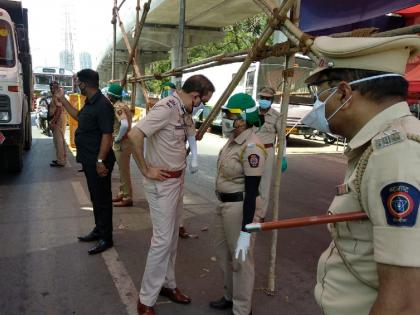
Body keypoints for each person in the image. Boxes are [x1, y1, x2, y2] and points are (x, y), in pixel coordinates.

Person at [300, 35, 420, 315]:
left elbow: (405, 303)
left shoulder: (395, 155)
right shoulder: (378, 145)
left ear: (343, 94)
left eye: (321, 96)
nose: (319, 107)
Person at [128, 74, 215, 315]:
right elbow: (135, 136)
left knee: (172, 239)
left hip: (177, 181)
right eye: (203, 101)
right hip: (162, 184)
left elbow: (188, 136)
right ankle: (146, 299)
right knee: (162, 241)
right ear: (195, 96)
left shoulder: (184, 111)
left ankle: (168, 284)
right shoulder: (166, 108)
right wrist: (146, 169)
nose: (202, 106)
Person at [210, 93, 266, 315]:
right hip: (223, 206)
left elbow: (252, 191)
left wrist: (246, 230)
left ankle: (243, 309)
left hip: (240, 207)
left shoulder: (252, 147)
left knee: (242, 259)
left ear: (243, 119)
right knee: (224, 254)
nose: (225, 118)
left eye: (230, 115)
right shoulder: (233, 140)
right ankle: (230, 296)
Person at [52, 69, 115, 255]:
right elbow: (78, 116)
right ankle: (99, 230)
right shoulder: (90, 103)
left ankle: (106, 238)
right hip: (89, 160)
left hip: (98, 161)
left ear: (85, 84)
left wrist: (100, 160)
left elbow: (107, 135)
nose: (78, 85)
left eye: (79, 82)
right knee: (96, 197)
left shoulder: (103, 105)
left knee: (102, 200)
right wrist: (62, 99)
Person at [160, 81, 199, 238]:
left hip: (178, 164)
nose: (169, 94)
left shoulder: (185, 114)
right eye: (167, 91)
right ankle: (165, 229)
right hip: (162, 163)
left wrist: (195, 157)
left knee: (178, 197)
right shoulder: (163, 108)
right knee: (163, 202)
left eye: (170, 90)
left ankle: (178, 225)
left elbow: (191, 135)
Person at [254, 87, 287, 222]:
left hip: (267, 151)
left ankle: (260, 214)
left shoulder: (276, 116)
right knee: (249, 182)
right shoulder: (252, 113)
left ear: (272, 100)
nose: (264, 100)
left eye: (267, 98)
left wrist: (283, 156)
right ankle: (249, 209)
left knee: (264, 185)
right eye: (262, 98)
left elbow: (282, 138)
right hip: (251, 150)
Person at [107, 83, 134, 207]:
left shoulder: (118, 107)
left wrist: (117, 139)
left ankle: (127, 197)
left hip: (122, 143)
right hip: (125, 142)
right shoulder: (123, 105)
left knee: (123, 171)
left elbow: (124, 125)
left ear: (112, 96)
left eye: (108, 94)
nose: (107, 96)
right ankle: (123, 193)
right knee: (122, 170)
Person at [49, 81, 68, 167]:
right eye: (51, 86)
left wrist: (53, 121)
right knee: (61, 139)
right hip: (61, 118)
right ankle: (62, 159)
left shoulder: (57, 95)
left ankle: (61, 161)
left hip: (58, 119)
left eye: (52, 86)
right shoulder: (59, 94)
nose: (51, 88)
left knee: (58, 140)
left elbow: (59, 110)